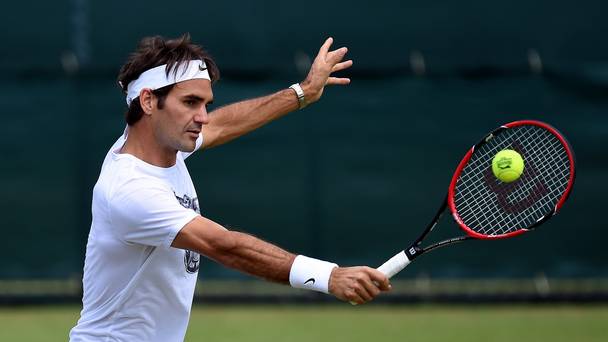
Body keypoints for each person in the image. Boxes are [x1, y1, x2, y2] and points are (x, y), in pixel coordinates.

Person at [69, 34, 390, 342]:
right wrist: (330, 277)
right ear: (149, 100)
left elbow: (223, 124)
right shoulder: (130, 190)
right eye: (191, 102)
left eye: (205, 104)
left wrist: (302, 92)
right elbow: (226, 246)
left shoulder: (160, 142)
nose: (203, 117)